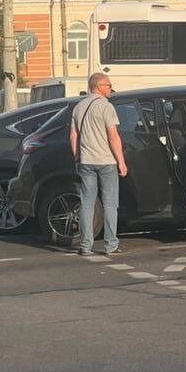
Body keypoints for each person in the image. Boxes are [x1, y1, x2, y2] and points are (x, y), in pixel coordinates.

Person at [69, 72, 126, 257]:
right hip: (106, 161)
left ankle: (86, 246)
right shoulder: (106, 107)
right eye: (108, 85)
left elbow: (73, 136)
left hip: (86, 161)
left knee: (87, 203)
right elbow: (113, 136)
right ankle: (111, 245)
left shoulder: (79, 107)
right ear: (98, 86)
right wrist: (121, 162)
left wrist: (77, 157)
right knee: (110, 203)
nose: (111, 88)